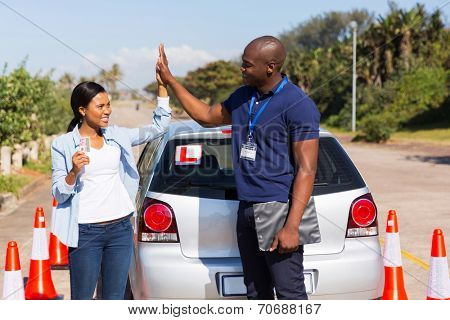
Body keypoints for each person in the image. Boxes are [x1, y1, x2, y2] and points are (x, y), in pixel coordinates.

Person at [156, 37, 321, 300]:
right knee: (256, 293)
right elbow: (206, 116)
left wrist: (292, 226)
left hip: (277, 208)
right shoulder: (243, 96)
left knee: (290, 295)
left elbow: (306, 170)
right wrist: (171, 80)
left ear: (271, 66)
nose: (241, 69)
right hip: (245, 208)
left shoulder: (298, 104)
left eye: (247, 65)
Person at [51, 70, 171, 300]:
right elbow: (59, 192)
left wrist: (162, 87)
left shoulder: (117, 136)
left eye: (109, 105)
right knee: (83, 299)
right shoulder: (63, 145)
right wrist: (73, 172)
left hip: (120, 230)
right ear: (82, 110)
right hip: (85, 232)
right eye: (101, 106)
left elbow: (159, 127)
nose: (108, 111)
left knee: (114, 299)